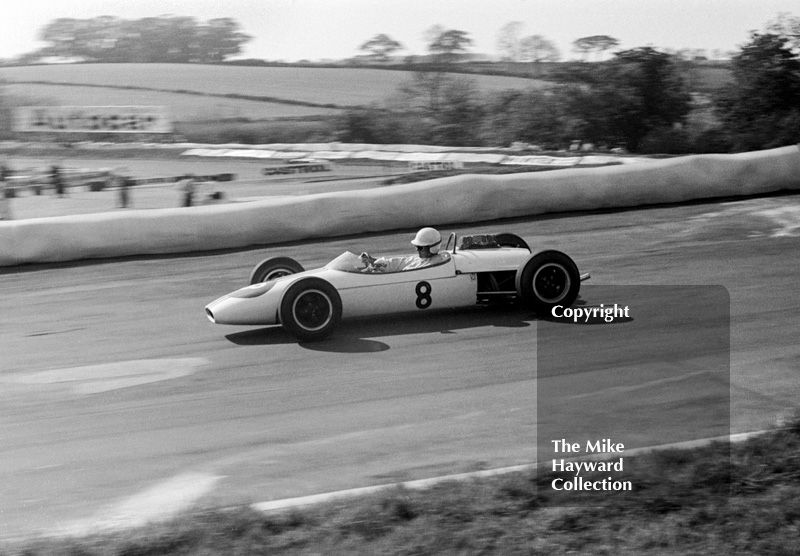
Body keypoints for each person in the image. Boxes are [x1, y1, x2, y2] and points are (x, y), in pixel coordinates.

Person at [359, 227, 447, 273]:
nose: (417, 249)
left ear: (431, 248)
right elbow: (399, 262)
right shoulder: (418, 259)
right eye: (416, 246)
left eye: (420, 247)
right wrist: (375, 262)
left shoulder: (431, 265)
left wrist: (377, 270)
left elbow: (405, 273)